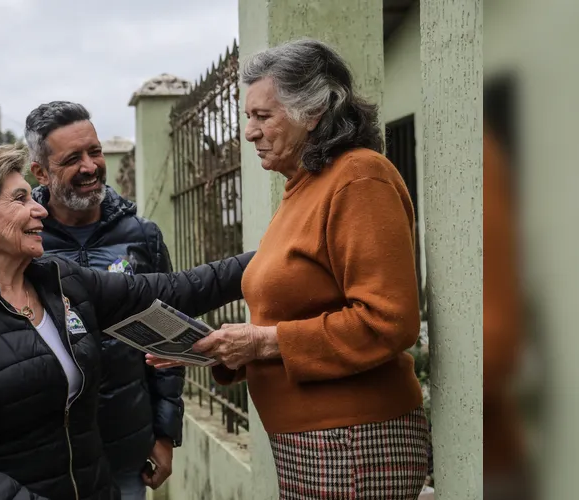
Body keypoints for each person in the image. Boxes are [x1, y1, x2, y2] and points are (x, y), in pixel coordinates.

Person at [147, 39, 430, 499]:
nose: (249, 133)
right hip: (317, 444)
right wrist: (220, 350)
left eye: (263, 116)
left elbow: (389, 321)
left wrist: (260, 343)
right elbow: (291, 319)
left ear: (313, 112)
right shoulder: (303, 187)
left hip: (353, 443)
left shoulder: (359, 178)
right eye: (248, 118)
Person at [0, 145, 252, 500]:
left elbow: (178, 289)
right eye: (20, 199)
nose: (39, 209)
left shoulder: (62, 281)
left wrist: (275, 256)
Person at [25, 101, 184, 497]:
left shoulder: (142, 237)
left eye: (94, 151)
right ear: (41, 172)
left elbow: (166, 337)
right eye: (72, 158)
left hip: (126, 447)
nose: (90, 167)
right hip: (46, 456)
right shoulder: (24, 241)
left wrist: (165, 434)